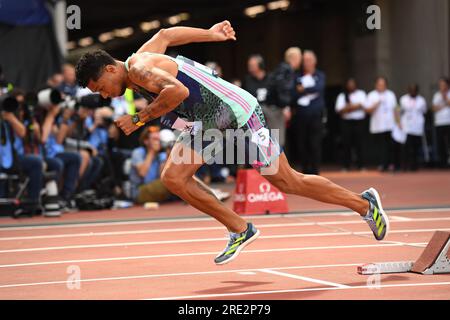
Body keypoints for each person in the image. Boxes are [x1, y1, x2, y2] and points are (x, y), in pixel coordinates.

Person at [75, 20, 389, 265]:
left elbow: (177, 93)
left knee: (286, 180)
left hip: (236, 112)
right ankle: (240, 228)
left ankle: (364, 204)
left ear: (111, 68)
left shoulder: (141, 69)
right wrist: (212, 35)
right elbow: (166, 34)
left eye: (101, 87)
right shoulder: (138, 61)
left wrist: (139, 119)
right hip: (209, 121)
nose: (103, 94)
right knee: (173, 177)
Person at [291, 50, 326, 175]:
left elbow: (319, 88)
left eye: (309, 60)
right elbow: (293, 93)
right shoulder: (297, 76)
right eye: (304, 60)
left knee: (315, 143)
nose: (307, 63)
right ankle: (305, 169)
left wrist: (304, 89)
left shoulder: (320, 75)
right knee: (302, 143)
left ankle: (315, 170)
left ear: (314, 61)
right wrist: (305, 91)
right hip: (301, 116)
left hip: (316, 115)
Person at [365, 76, 397, 171]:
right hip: (377, 125)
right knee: (380, 146)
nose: (381, 86)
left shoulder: (391, 94)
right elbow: (367, 110)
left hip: (390, 125)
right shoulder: (371, 95)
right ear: (376, 85)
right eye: (379, 84)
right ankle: (382, 164)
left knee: (390, 146)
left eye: (383, 84)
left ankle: (390, 164)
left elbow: (396, 109)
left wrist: (398, 122)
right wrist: (376, 104)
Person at [335, 78, 367, 171]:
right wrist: (355, 106)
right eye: (349, 84)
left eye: (352, 84)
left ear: (356, 84)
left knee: (360, 144)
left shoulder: (361, 94)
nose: (351, 86)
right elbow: (339, 110)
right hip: (346, 122)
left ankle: (361, 165)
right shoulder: (342, 95)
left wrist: (348, 108)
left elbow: (364, 106)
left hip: (359, 122)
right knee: (346, 144)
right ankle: (346, 165)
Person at [399, 84, 427, 171]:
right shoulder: (403, 99)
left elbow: (424, 111)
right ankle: (404, 166)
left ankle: (414, 166)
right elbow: (400, 111)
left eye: (414, 90)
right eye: (411, 90)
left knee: (415, 147)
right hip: (406, 126)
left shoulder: (422, 100)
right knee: (406, 147)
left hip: (417, 126)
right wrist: (399, 122)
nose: (412, 92)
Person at [431, 77, 450, 168]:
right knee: (441, 144)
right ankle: (443, 163)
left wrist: (445, 98)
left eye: (443, 85)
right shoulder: (436, 95)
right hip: (439, 122)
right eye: (440, 85)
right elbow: (434, 108)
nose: (442, 87)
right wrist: (444, 104)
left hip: (449, 121)